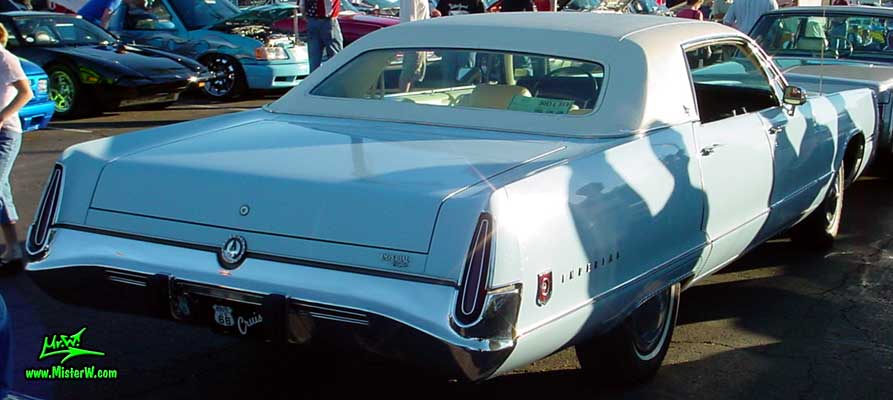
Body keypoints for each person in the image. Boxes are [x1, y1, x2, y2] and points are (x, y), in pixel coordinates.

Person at [0, 25, 30, 277]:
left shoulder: (6, 59)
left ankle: (14, 250)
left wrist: (2, 117)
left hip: (6, 133)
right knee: (1, 190)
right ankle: (13, 250)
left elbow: (26, 92)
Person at [436, 0, 484, 84]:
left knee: (466, 75)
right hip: (448, 45)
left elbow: (482, 22)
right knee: (448, 75)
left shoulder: (476, 2)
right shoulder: (444, 2)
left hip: (467, 46)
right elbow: (438, 21)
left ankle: (465, 94)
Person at [398, 0, 440, 92]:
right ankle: (402, 99)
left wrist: (432, 10)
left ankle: (408, 97)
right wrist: (415, 39)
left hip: (421, 39)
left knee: (416, 73)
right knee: (409, 72)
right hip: (413, 40)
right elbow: (410, 19)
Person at [300, 0, 344, 73]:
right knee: (336, 57)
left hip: (312, 19)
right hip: (328, 20)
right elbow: (329, 4)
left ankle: (314, 81)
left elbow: (302, 4)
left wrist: (305, 15)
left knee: (314, 58)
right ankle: (336, 79)